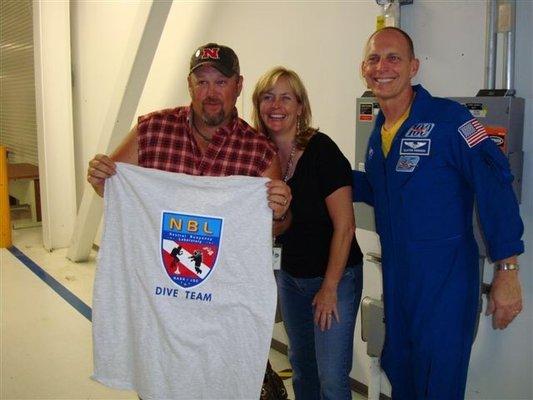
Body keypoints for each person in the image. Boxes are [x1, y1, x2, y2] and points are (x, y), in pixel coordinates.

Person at [87, 43, 290, 399]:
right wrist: (101, 176)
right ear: (190, 84)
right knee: (159, 384)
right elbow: (112, 189)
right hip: (160, 305)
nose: (210, 93)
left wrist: (280, 209)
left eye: (221, 82)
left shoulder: (258, 151)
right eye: (202, 81)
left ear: (238, 85)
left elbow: (274, 227)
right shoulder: (152, 130)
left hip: (220, 309)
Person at [353, 27, 524, 399]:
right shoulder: (379, 130)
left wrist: (507, 271)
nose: (382, 66)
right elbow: (380, 193)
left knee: (440, 384)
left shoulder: (450, 121)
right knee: (403, 374)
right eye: (374, 58)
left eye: (393, 57)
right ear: (363, 68)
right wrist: (325, 175)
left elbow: (496, 184)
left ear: (413, 67)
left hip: (445, 286)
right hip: (399, 283)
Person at [252, 66, 364, 400]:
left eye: (286, 97)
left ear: (301, 106)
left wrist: (329, 288)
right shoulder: (258, 155)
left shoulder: (322, 151)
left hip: (335, 276)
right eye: (268, 97)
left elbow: (345, 226)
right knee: (301, 367)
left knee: (330, 376)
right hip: (291, 277)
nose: (276, 105)